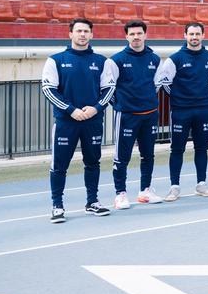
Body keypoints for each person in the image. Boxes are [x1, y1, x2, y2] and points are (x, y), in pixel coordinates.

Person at [42, 18, 114, 223]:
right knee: (59, 165)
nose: (82, 34)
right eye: (79, 31)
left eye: (86, 31)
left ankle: (92, 202)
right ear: (70, 34)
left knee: (92, 162)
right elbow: (49, 89)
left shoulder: (102, 61)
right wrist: (70, 110)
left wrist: (96, 108)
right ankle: (57, 205)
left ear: (91, 35)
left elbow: (109, 89)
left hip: (92, 121)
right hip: (66, 122)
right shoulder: (55, 60)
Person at [155, 21, 208, 200]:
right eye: (191, 34)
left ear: (203, 35)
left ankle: (201, 184)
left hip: (203, 110)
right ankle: (174, 187)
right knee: (177, 149)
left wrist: (201, 97)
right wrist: (180, 98)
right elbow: (166, 83)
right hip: (181, 111)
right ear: (185, 35)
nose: (194, 37)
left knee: (202, 148)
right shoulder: (175, 59)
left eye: (198, 34)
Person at [104, 20, 161, 209]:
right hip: (127, 116)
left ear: (145, 35)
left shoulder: (155, 59)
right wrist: (121, 105)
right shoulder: (116, 60)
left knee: (148, 155)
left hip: (150, 114)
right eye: (132, 34)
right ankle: (120, 193)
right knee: (122, 156)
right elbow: (107, 89)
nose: (136, 37)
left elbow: (157, 85)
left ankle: (145, 190)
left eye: (139, 33)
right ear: (126, 36)